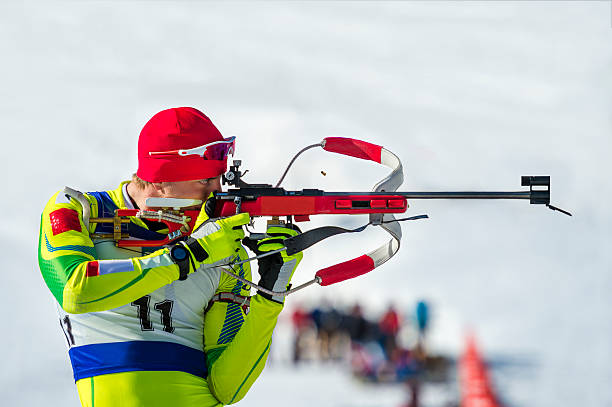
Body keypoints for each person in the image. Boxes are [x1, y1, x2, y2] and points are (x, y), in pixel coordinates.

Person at [38, 107, 303, 406]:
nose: (218, 192)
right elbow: (75, 291)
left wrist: (271, 295)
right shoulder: (77, 210)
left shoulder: (223, 248)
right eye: (206, 181)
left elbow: (228, 387)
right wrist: (188, 256)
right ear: (162, 182)